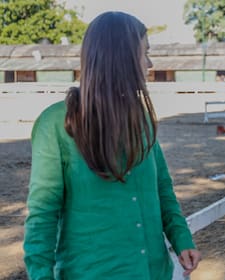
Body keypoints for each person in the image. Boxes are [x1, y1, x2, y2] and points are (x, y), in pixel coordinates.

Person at [23, 11, 200, 279]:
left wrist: (181, 238)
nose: (150, 63)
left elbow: (162, 189)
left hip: (154, 272)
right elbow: (42, 216)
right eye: (145, 53)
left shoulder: (141, 119)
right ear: (121, 58)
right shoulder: (56, 125)